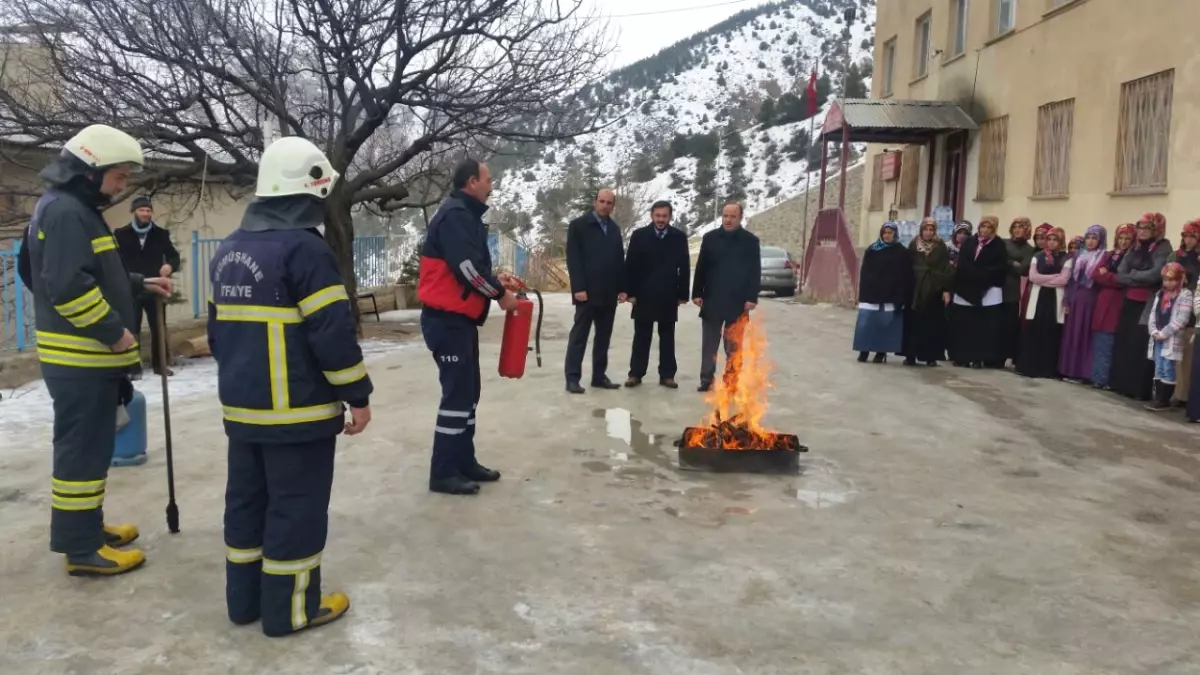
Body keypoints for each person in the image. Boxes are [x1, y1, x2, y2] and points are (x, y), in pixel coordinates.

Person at [208, 136, 374, 636]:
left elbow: (218, 334)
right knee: (295, 510)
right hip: (296, 414)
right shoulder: (305, 250)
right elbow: (332, 334)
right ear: (307, 192)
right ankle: (292, 610)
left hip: (242, 411)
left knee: (246, 505)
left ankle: (246, 603)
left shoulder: (229, 250)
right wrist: (357, 395)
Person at [22, 124, 173, 576]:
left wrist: (140, 284)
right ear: (90, 170)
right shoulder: (68, 212)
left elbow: (90, 273)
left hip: (82, 359)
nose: (123, 185)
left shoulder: (70, 208)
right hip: (82, 357)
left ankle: (87, 529)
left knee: (89, 450)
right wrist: (115, 333)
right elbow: (67, 287)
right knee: (82, 452)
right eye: (119, 175)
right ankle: (83, 550)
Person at [418, 159, 521, 495]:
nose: (492, 185)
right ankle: (443, 472)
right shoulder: (456, 216)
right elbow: (466, 269)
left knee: (469, 394)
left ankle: (464, 461)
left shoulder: (467, 216)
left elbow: (471, 268)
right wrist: (499, 293)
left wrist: (496, 279)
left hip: (460, 320)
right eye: (489, 179)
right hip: (445, 321)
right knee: (457, 396)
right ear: (472, 182)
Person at [691, 201, 760, 392]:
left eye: (733, 216)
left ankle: (731, 381)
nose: (728, 220)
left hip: (737, 302)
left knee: (734, 347)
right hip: (712, 299)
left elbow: (755, 271)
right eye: (725, 216)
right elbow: (701, 267)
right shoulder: (710, 238)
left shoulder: (750, 241)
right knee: (709, 346)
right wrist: (697, 293)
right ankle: (706, 379)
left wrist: (751, 297)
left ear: (740, 218)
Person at [564, 189, 627, 393]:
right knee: (579, 337)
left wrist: (622, 288)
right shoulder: (579, 226)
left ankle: (599, 376)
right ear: (595, 202)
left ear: (613, 205)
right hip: (587, 293)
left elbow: (619, 261)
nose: (605, 205)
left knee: (603, 337)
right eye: (602, 201)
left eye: (609, 203)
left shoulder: (615, 229)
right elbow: (574, 259)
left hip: (608, 293)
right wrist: (579, 288)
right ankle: (572, 378)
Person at [623, 200, 690, 388]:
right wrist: (630, 293)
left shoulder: (678, 237)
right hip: (643, 294)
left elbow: (684, 267)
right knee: (641, 337)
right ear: (651, 215)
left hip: (668, 294)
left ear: (670, 217)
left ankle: (667, 375)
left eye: (664, 216)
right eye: (658, 215)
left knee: (667, 337)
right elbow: (630, 266)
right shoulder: (639, 236)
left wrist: (683, 294)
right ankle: (636, 374)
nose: (661, 219)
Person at [113, 195, 181, 375]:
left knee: (158, 327)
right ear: (134, 212)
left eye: (148, 210)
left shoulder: (161, 234)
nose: (145, 214)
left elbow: (174, 256)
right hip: (132, 288)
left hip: (155, 288)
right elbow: (113, 259)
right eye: (141, 210)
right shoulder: (120, 234)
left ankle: (160, 365)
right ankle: (132, 366)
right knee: (131, 327)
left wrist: (169, 265)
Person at [1111, 213, 1171, 401]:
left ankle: (1138, 389)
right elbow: (1120, 273)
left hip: (1147, 304)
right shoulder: (1135, 247)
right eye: (1141, 228)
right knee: (1125, 342)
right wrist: (1137, 277)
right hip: (1129, 301)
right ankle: (1121, 385)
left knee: (1140, 346)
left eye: (1148, 228)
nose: (1143, 232)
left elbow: (1155, 274)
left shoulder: (1163, 247)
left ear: (1157, 230)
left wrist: (1133, 276)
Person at [947, 215, 1008, 368]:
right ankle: (962, 356)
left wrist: (980, 275)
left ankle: (979, 357)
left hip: (988, 289)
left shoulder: (999, 245)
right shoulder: (970, 242)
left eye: (989, 227)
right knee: (964, 325)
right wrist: (972, 274)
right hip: (966, 287)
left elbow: (998, 267)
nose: (985, 230)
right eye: (983, 227)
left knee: (982, 327)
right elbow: (963, 262)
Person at [853, 222, 912, 364]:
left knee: (885, 324)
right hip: (871, 293)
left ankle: (880, 352)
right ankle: (864, 351)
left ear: (895, 234)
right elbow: (865, 271)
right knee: (867, 323)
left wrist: (900, 295)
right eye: (885, 232)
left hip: (890, 294)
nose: (887, 235)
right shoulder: (872, 249)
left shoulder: (902, 252)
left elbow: (904, 275)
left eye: (890, 233)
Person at [1017, 227, 1071, 379]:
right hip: (1038, 296)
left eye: (1056, 240)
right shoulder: (1038, 256)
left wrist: (1045, 279)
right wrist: (1054, 277)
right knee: (1034, 329)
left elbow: (1064, 279)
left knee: (1051, 331)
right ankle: (1029, 367)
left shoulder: (1066, 258)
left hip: (1055, 299)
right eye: (1050, 239)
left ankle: (1048, 369)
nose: (1052, 243)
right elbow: (1033, 277)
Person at [1058, 225, 1106, 383]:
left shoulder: (1103, 256)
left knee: (1085, 335)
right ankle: (1068, 370)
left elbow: (1100, 279)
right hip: (1076, 298)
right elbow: (1071, 280)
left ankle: (1082, 373)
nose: (1091, 242)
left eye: (1094, 238)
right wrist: (1066, 300)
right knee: (1072, 334)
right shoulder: (1079, 255)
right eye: (1088, 238)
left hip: (1091, 299)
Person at [902, 218, 951, 366]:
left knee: (932, 324)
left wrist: (945, 289)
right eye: (926, 229)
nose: (928, 233)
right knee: (913, 324)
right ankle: (910, 355)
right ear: (921, 230)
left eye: (931, 230)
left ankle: (930, 356)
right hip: (915, 290)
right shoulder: (913, 245)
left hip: (934, 290)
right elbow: (907, 267)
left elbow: (945, 268)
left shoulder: (940, 246)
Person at [1090, 224, 1134, 390]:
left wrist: (1106, 276)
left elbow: (1124, 279)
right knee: (1100, 341)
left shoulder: (1130, 257)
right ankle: (1098, 377)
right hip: (1103, 301)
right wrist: (1112, 279)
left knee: (1111, 341)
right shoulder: (1109, 255)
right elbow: (1094, 275)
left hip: (1118, 302)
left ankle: (1107, 379)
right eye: (1121, 238)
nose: (1123, 242)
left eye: (1127, 239)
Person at [1144, 262, 1193, 411]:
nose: (1168, 283)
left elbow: (1182, 318)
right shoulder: (1160, 294)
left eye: (1172, 279)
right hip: (1157, 336)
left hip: (1171, 337)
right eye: (1165, 279)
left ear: (1180, 279)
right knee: (1159, 366)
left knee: (1168, 366)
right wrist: (1153, 331)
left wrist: (1165, 332)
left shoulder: (1185, 294)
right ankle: (1158, 397)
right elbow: (1153, 314)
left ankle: (1164, 399)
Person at [1167, 221, 1200, 407]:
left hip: (1194, 311)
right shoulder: (1176, 256)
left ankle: (1184, 394)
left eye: (1192, 236)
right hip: (1175, 306)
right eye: (1185, 236)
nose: (1188, 240)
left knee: (1188, 356)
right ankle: (1175, 391)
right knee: (1174, 352)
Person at [1003, 217, 1035, 365]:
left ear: (1027, 230)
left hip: (1013, 290)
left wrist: (1007, 261)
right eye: (1014, 227)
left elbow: (1023, 269)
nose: (1017, 230)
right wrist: (1013, 262)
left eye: (1021, 227)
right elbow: (997, 260)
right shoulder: (1003, 243)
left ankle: (1006, 355)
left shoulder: (1029, 249)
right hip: (997, 287)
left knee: (1009, 323)